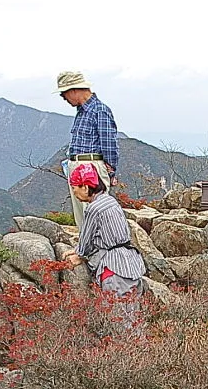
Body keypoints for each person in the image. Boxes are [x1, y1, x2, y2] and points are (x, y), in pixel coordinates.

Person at [64, 163, 146, 298]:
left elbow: (86, 240)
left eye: (74, 188)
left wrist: (78, 255)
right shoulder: (110, 201)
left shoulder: (94, 208)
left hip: (113, 269)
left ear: (85, 187)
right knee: (133, 314)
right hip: (131, 264)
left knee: (117, 316)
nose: (74, 193)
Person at [56, 71, 119, 229]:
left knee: (94, 215)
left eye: (65, 95)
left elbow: (109, 143)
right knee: (82, 217)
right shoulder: (82, 112)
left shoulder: (99, 110)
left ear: (74, 90)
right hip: (79, 166)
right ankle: (85, 250)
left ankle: (98, 251)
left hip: (90, 167)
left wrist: (110, 172)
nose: (65, 99)